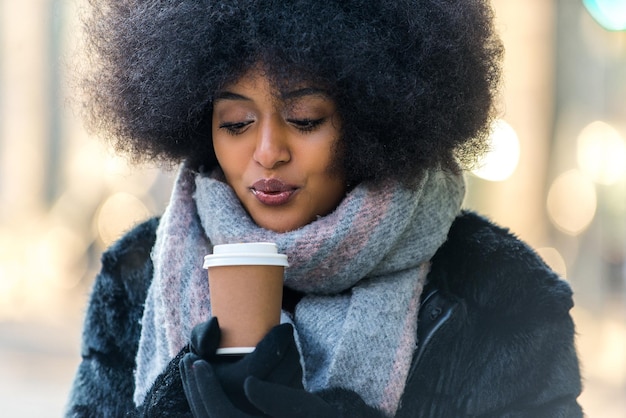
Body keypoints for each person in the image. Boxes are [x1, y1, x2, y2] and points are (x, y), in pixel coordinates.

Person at [65, 0, 583, 416]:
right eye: (237, 122)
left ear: (370, 120)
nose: (268, 151)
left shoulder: (504, 296)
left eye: (305, 118)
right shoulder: (134, 279)